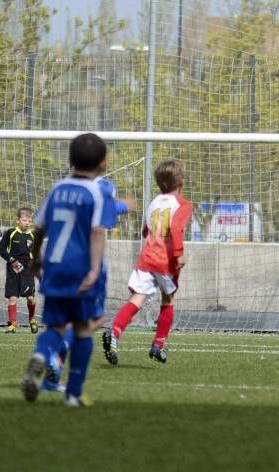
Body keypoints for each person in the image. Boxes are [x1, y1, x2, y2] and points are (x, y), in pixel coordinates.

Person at [20, 133, 108, 407]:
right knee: (83, 329)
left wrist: (35, 259)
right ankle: (73, 394)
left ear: (70, 160)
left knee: (55, 327)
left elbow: (39, 229)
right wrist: (94, 270)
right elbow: (97, 233)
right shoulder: (97, 192)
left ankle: (41, 356)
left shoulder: (57, 189)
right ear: (103, 164)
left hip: (54, 268)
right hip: (81, 269)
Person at [102, 159, 192, 365]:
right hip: (165, 260)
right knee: (168, 300)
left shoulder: (153, 202)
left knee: (138, 298)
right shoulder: (183, 204)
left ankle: (114, 332)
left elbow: (145, 230)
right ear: (182, 183)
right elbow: (176, 229)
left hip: (146, 257)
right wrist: (178, 254)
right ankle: (158, 345)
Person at [0, 207, 38, 334]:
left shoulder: (33, 236)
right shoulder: (10, 233)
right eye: (24, 220)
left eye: (29, 221)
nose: (27, 223)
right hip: (13, 269)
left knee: (30, 298)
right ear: (18, 220)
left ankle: (32, 318)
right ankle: (13, 324)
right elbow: (2, 250)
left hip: (27, 270)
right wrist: (12, 260)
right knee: (13, 298)